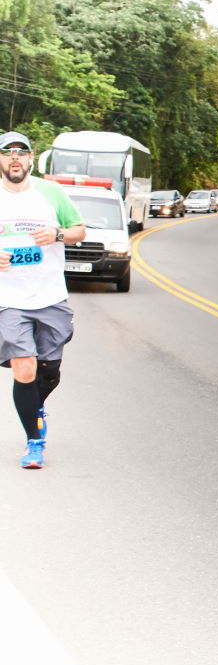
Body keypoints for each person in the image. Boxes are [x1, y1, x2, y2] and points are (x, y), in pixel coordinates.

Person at [0, 131, 86, 469]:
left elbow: (79, 230)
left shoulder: (51, 192)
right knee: (24, 366)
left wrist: (57, 234)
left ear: (30, 159)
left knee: (49, 372)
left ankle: (35, 407)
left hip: (50, 296)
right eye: (7, 152)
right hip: (8, 298)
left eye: (21, 152)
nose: (15, 158)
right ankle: (34, 442)